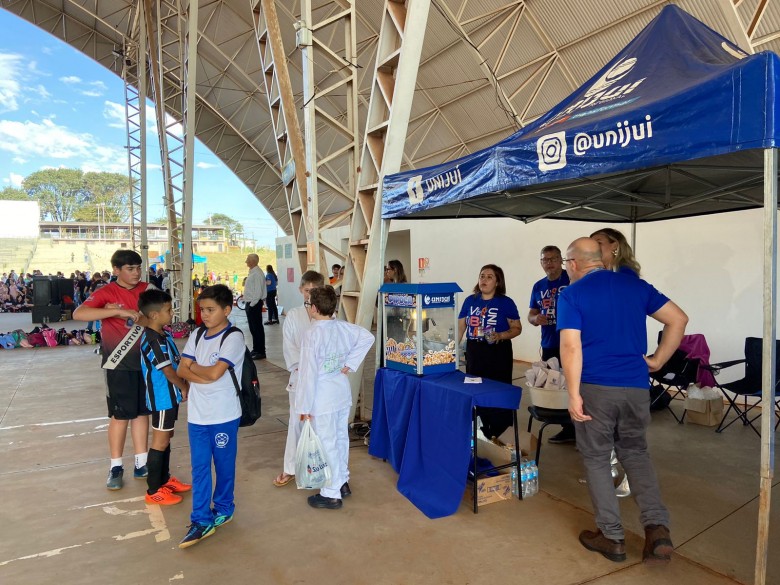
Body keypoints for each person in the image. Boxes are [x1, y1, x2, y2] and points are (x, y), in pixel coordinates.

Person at [558, 237, 688, 565]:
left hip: (596, 387)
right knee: (636, 453)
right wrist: (658, 360)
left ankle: (612, 536)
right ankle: (657, 530)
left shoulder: (572, 294)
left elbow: (571, 347)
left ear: (573, 264)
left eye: (565, 264)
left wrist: (573, 394)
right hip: (636, 387)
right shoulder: (636, 286)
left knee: (597, 458)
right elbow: (678, 319)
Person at [73, 250, 153, 490]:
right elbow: (80, 313)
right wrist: (116, 311)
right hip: (118, 364)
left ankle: (142, 462)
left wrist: (141, 317)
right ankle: (116, 467)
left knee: (142, 413)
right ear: (116, 270)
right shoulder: (106, 292)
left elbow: (163, 318)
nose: (136, 273)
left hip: (145, 363)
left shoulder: (148, 290)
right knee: (120, 416)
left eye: (138, 268)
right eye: (130, 268)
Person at [176, 284, 245, 548]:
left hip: (224, 414)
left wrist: (194, 368)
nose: (204, 314)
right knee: (200, 467)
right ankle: (201, 519)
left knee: (224, 465)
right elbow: (181, 370)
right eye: (202, 309)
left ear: (227, 310)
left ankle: (225, 507)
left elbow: (215, 373)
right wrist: (201, 374)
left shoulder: (233, 338)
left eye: (210, 310)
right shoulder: (196, 334)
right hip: (197, 415)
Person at [296, 286, 374, 509]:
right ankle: (342, 481)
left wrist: (304, 407)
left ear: (313, 308)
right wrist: (350, 363)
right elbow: (367, 337)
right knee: (340, 439)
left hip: (322, 397)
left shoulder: (312, 334)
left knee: (327, 443)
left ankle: (331, 493)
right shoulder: (342, 327)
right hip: (341, 392)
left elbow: (308, 375)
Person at [138, 289, 192, 505]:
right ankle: (153, 491)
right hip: (162, 398)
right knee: (159, 442)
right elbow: (168, 370)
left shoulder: (163, 334)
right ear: (154, 315)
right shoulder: (153, 340)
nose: (172, 313)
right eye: (169, 310)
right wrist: (183, 387)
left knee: (167, 437)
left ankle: (164, 480)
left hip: (170, 397)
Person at [457, 264, 522, 441]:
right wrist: (452, 348)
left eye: (489, 277)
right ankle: (480, 429)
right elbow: (461, 326)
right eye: (482, 276)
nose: (484, 280)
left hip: (498, 351)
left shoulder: (505, 302)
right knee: (476, 387)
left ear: (497, 282)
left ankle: (501, 432)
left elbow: (517, 328)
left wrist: (500, 335)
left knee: (498, 389)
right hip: (475, 350)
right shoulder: (470, 300)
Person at [273, 270, 325, 488]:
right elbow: (290, 348)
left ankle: (321, 468)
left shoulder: (329, 315)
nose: (310, 294)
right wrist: (305, 369)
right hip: (300, 377)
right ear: (300, 290)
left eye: (315, 290)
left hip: (323, 379)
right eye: (307, 290)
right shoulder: (294, 315)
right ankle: (290, 467)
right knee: (297, 422)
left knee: (321, 424)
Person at [528, 245, 574, 444]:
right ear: (541, 262)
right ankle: (567, 428)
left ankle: (580, 428)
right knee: (556, 386)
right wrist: (535, 318)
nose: (549, 263)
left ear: (561, 260)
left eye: (553, 259)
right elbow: (531, 314)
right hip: (549, 344)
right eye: (545, 260)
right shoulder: (538, 286)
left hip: (572, 343)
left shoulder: (571, 279)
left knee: (574, 385)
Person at [243, 253, 267, 360]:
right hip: (251, 303)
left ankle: (261, 351)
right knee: (253, 329)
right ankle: (256, 348)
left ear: (252, 261)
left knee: (257, 328)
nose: (246, 261)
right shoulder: (253, 272)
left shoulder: (257, 273)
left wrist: (252, 305)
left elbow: (258, 292)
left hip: (254, 304)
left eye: (247, 259)